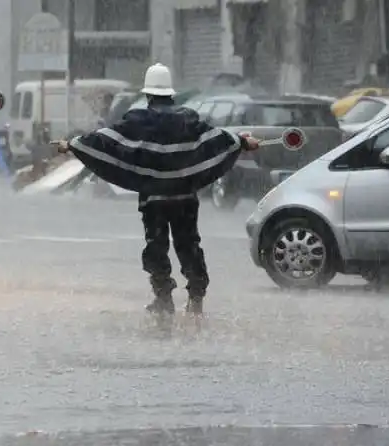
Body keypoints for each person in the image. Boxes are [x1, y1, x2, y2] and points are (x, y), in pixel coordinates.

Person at [53, 63, 259, 329]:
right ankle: (196, 300)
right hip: (184, 198)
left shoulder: (137, 121)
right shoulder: (188, 119)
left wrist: (71, 145)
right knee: (188, 245)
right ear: (170, 95)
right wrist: (242, 142)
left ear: (148, 94)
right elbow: (218, 138)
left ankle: (163, 300)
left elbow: (104, 139)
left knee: (156, 246)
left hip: (154, 200)